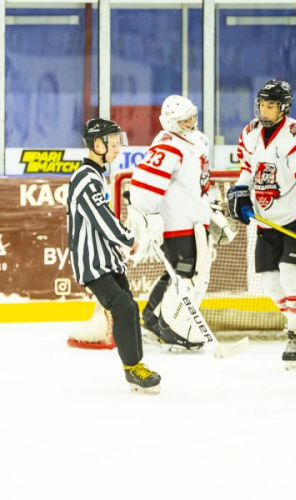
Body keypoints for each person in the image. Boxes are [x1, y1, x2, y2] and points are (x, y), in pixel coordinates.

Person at [226, 80, 296, 370]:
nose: (264, 111)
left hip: (295, 220)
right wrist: (241, 192)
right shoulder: (250, 133)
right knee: (270, 282)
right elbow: (247, 169)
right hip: (267, 221)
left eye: (270, 105)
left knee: (292, 275)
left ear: (284, 108)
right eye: (261, 104)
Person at [67, 118, 160, 394]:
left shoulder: (96, 175)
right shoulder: (85, 177)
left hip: (106, 260)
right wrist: (128, 239)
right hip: (92, 264)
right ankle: (133, 370)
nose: (119, 148)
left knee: (129, 308)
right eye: (114, 143)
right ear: (98, 144)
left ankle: (137, 366)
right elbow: (102, 219)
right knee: (124, 308)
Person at [130, 95, 230, 353]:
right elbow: (143, 184)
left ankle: (151, 320)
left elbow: (199, 182)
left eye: (192, 116)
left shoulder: (197, 140)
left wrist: (211, 207)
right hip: (178, 224)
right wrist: (147, 218)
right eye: (184, 119)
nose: (190, 121)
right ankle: (174, 329)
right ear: (169, 122)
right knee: (186, 274)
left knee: (175, 272)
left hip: (194, 221)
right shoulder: (167, 145)